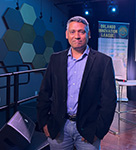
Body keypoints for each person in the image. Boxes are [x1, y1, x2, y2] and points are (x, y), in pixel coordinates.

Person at [37, 16, 117, 150]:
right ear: (66, 34)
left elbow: (109, 101)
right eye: (73, 32)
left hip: (89, 129)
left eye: (81, 31)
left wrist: (98, 130)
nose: (77, 36)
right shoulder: (55, 59)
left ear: (89, 34)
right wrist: (44, 123)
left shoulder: (103, 62)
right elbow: (44, 93)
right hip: (58, 126)